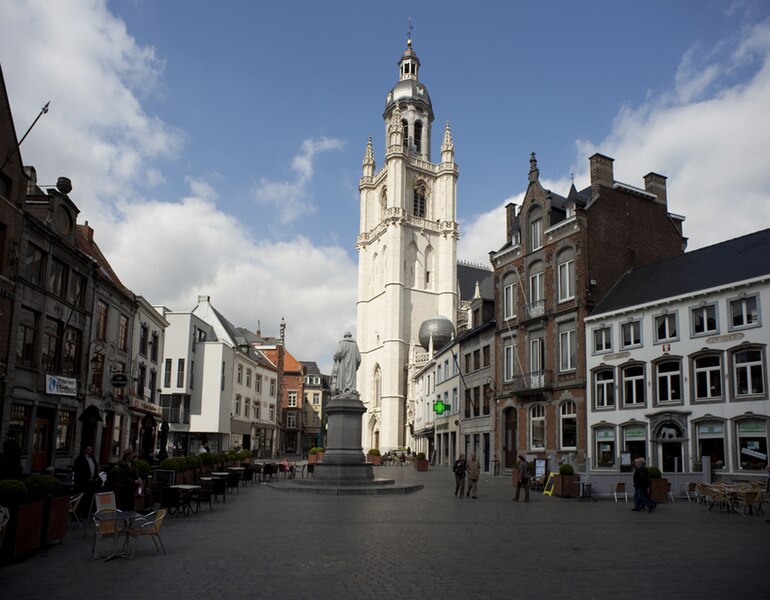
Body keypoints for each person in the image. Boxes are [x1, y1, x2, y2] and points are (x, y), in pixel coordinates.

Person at [73, 445, 101, 518]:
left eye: (91, 449)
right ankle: (77, 515)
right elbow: (78, 471)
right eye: (88, 449)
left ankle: (86, 514)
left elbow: (95, 468)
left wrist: (95, 477)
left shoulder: (92, 458)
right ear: (84, 450)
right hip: (83, 482)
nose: (90, 451)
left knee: (89, 499)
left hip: (92, 482)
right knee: (82, 499)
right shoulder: (80, 459)